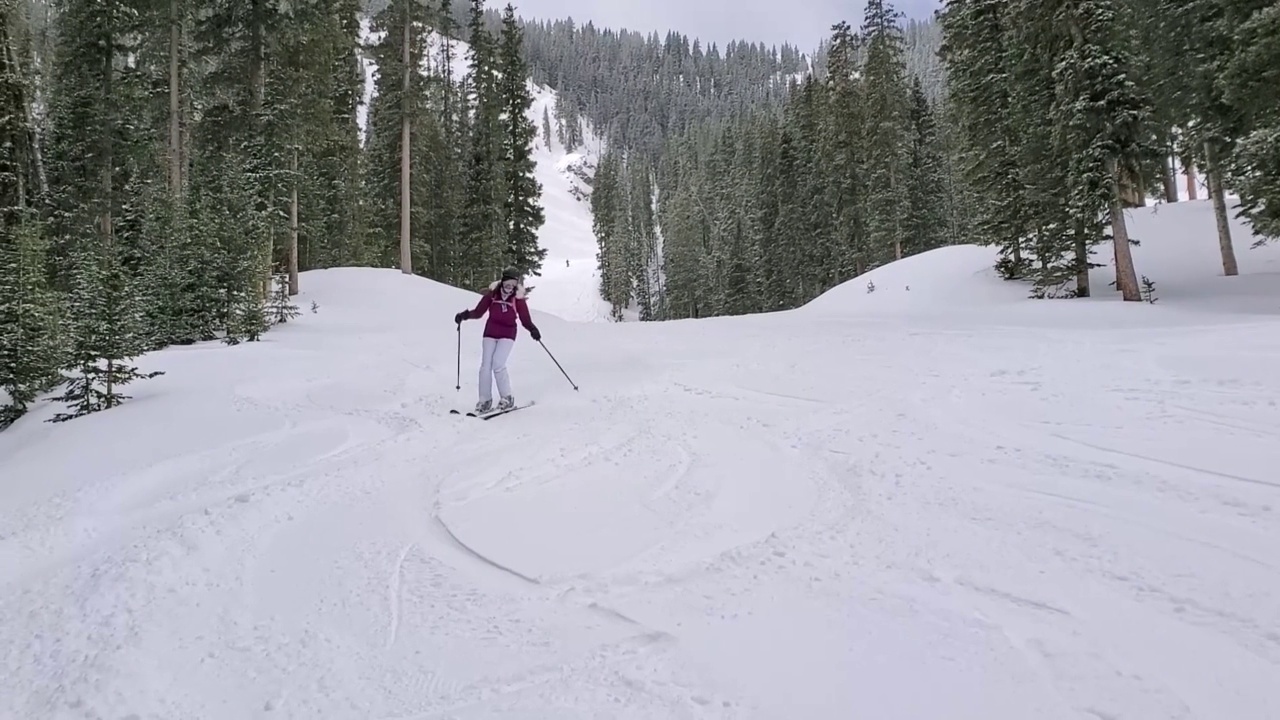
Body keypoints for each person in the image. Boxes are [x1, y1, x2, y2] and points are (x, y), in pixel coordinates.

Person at [454, 267, 541, 413]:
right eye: (508, 283)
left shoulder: (518, 299)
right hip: (490, 332)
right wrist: (464, 315)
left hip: (508, 334)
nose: (510, 287)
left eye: (513, 284)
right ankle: (485, 400)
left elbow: (525, 320)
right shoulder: (493, 295)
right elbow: (478, 312)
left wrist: (533, 329)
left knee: (498, 363)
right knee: (485, 366)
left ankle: (507, 398)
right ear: (503, 281)